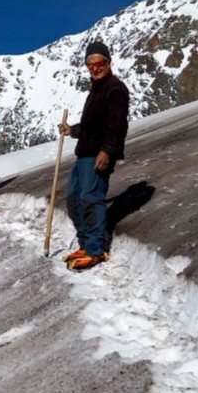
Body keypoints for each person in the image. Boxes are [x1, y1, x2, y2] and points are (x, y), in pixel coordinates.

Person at [57, 40, 129, 270]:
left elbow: (116, 125)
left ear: (108, 62)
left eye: (99, 62)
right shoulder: (96, 90)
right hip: (83, 156)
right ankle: (86, 244)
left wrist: (107, 150)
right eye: (90, 64)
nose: (95, 67)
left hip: (97, 155)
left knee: (91, 199)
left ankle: (96, 249)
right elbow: (91, 125)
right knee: (73, 200)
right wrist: (72, 130)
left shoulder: (115, 89)